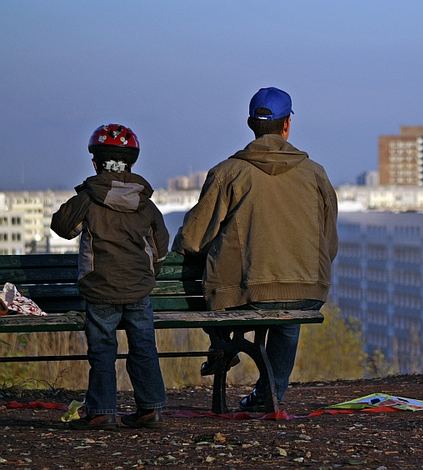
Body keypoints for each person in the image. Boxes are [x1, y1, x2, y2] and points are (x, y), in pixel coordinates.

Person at [172, 86, 338, 410]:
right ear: (287, 124)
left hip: (242, 295)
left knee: (222, 292)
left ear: (251, 124)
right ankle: (270, 394)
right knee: (288, 309)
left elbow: (192, 240)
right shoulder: (316, 175)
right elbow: (329, 244)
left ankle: (220, 345)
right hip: (306, 291)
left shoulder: (228, 173)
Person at [52, 124, 169, 430]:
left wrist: (84, 192)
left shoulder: (89, 199)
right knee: (144, 345)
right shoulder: (145, 203)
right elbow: (161, 247)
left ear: (95, 161)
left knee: (102, 350)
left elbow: (63, 227)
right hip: (137, 289)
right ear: (131, 162)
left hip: (99, 288)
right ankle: (150, 409)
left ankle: (102, 410)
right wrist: (147, 273)